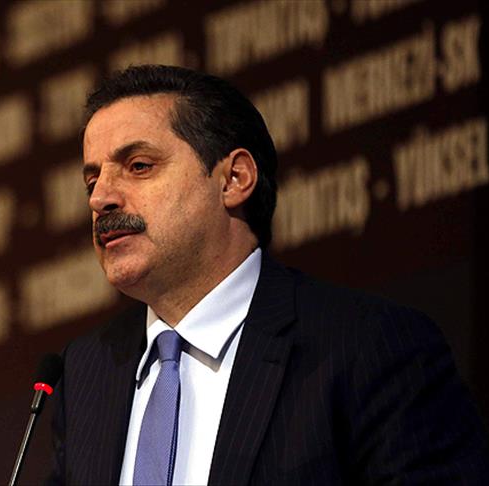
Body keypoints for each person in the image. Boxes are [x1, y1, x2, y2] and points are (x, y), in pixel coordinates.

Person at [46, 65, 489, 485]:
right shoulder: (86, 372)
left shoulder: (369, 346)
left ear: (234, 179)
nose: (100, 198)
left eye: (139, 166)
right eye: (92, 182)